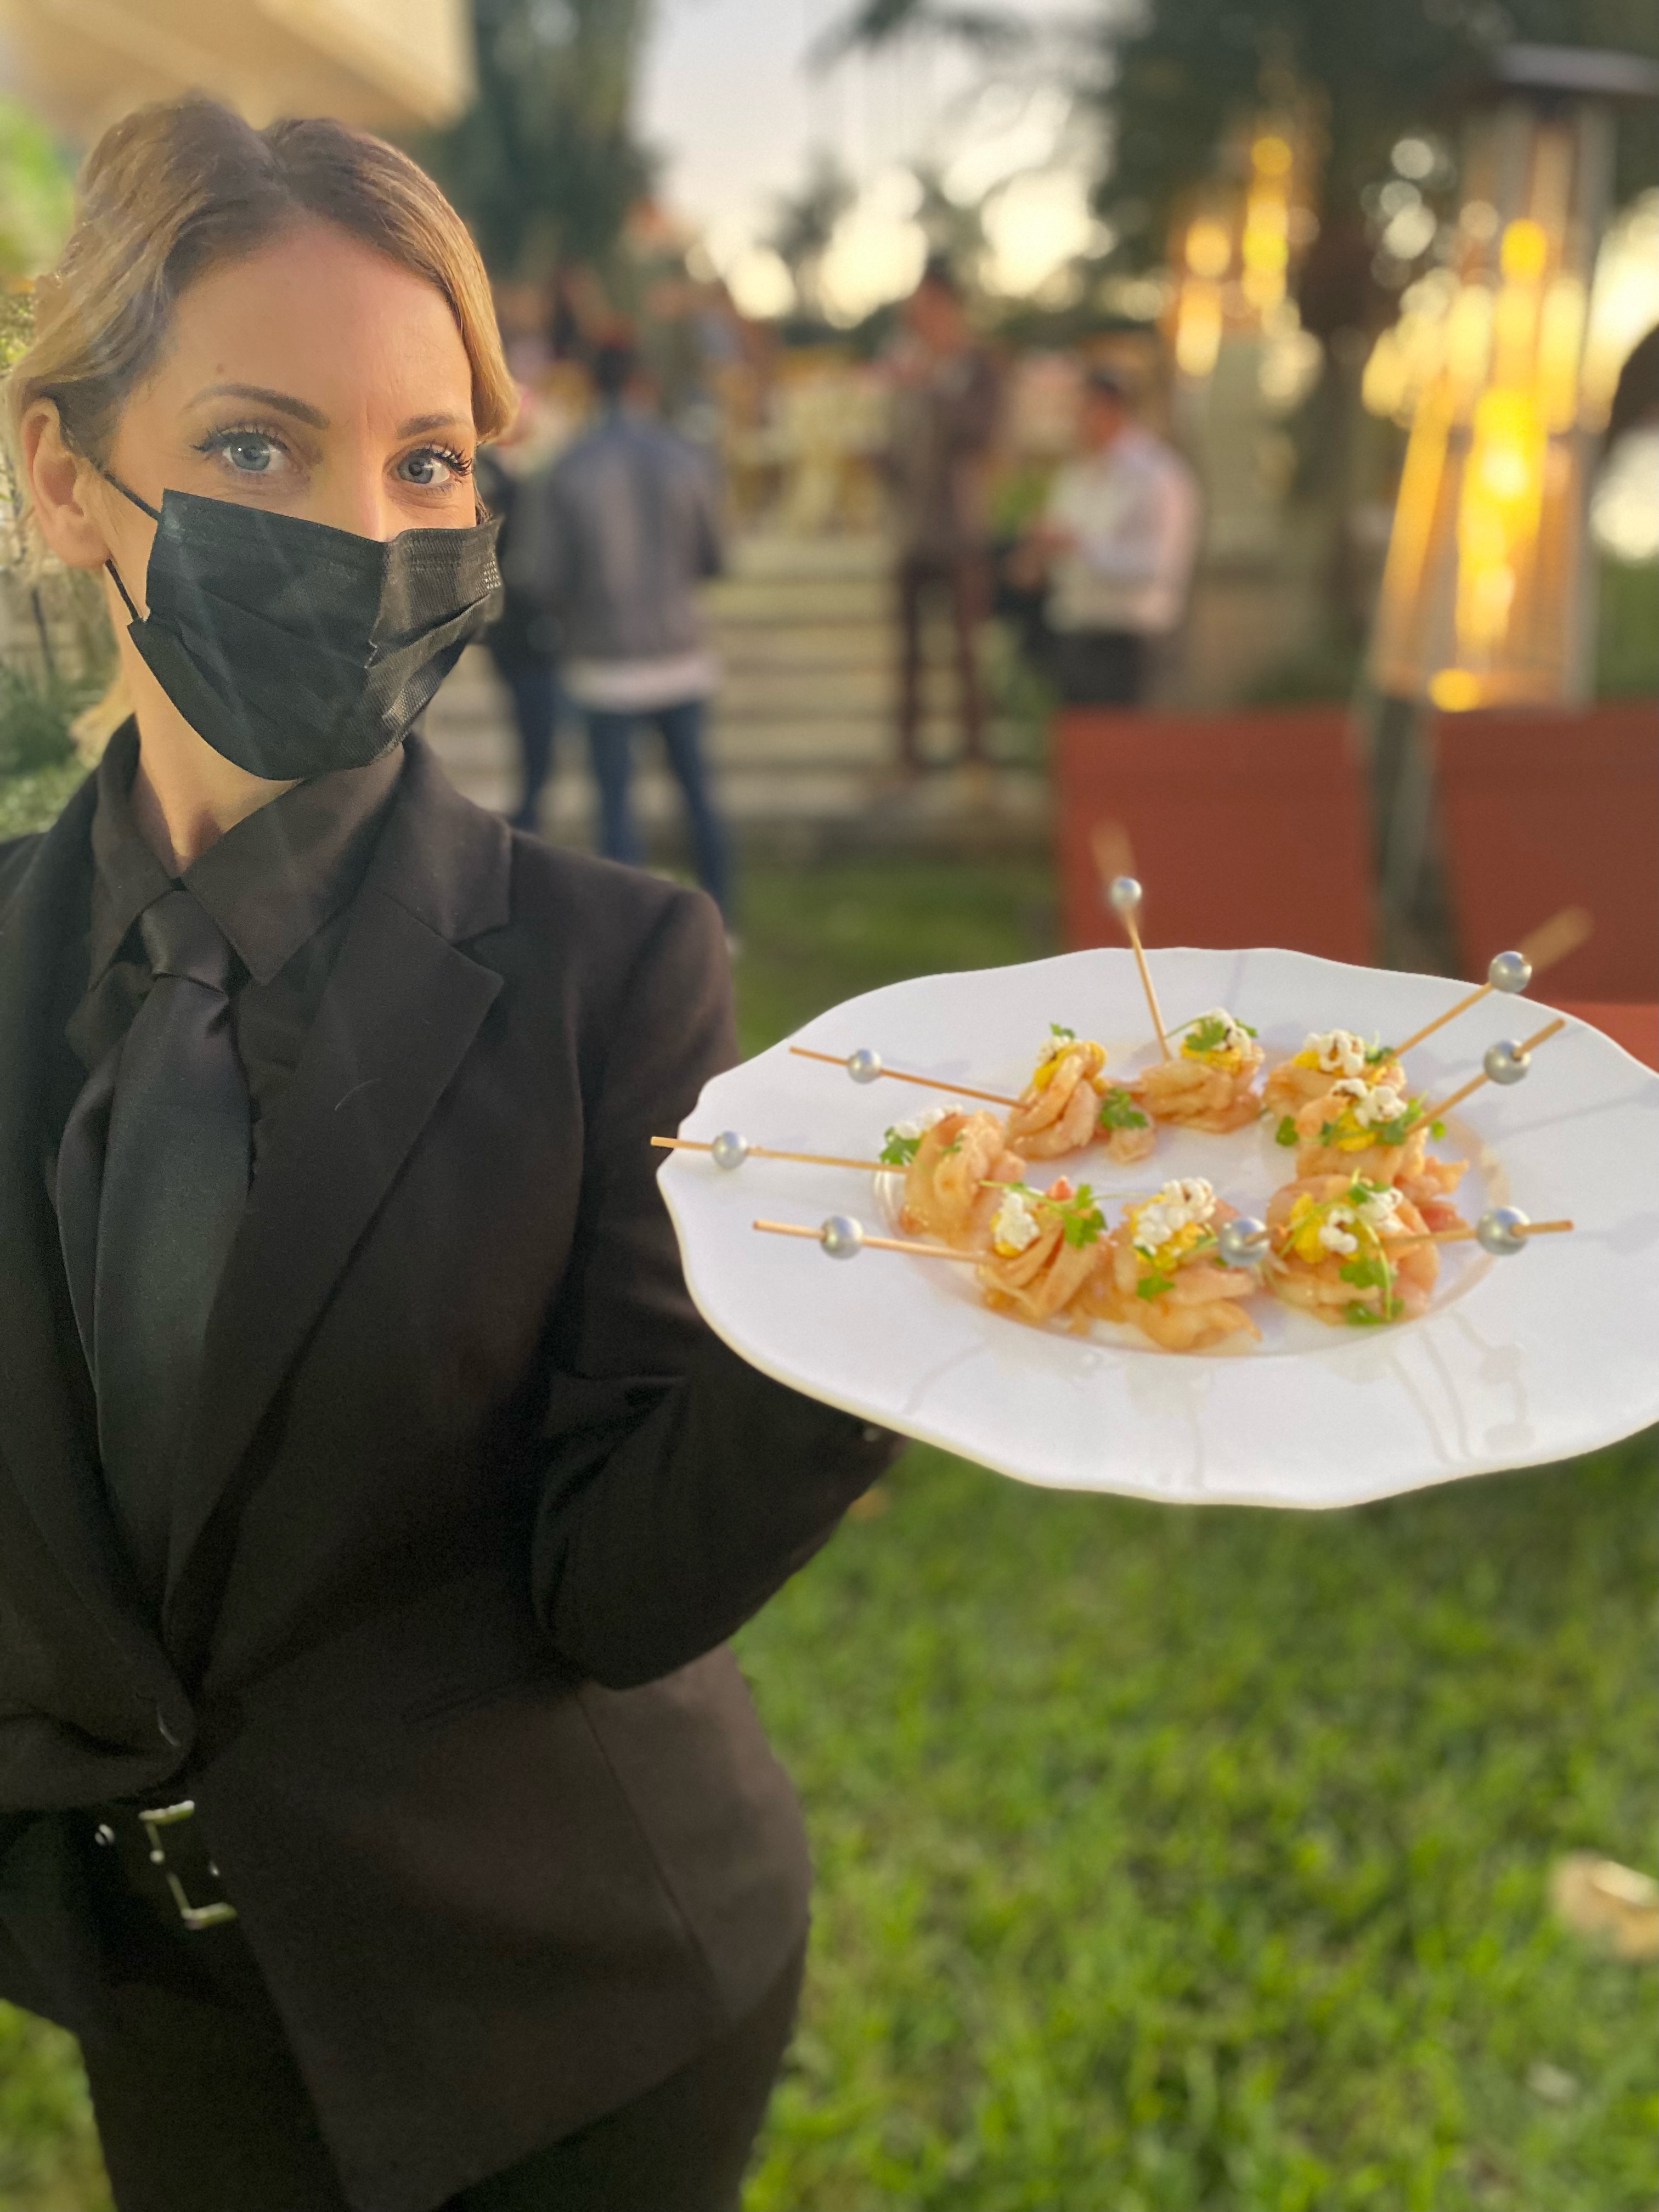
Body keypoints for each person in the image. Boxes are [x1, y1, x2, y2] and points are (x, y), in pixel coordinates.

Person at [0, 97, 894, 2212]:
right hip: (173, 1990)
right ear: (65, 477)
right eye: (254, 447)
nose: (368, 531)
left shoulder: (617, 970)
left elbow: (610, 1584)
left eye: (427, 460)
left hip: (563, 2006)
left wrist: (875, 1315)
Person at [513, 341, 733, 919]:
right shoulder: (688, 456)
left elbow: (542, 574)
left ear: (593, 387)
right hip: (680, 650)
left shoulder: (568, 465)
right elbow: (715, 557)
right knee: (698, 793)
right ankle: (725, 914)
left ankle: (632, 931)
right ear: (644, 384)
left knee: (615, 803)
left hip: (605, 660)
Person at [1019, 367, 1201, 707]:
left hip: (1130, 643)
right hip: (1075, 633)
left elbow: (1159, 565)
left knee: (1124, 752)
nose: (1073, 421)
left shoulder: (1158, 476)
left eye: (1080, 409)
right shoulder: (1075, 475)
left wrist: (1081, 547)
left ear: (1109, 408)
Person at [884, 257, 1001, 776]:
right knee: (909, 656)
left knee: (965, 654)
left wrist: (931, 386)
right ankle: (908, 755)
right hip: (912, 531)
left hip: (960, 530)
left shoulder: (975, 367)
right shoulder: (906, 371)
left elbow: (980, 432)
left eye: (928, 305)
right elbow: (900, 445)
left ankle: (976, 756)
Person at [475, 388, 563, 833]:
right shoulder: (487, 474)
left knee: (539, 731)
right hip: (517, 625)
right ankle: (528, 814)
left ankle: (530, 811)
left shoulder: (531, 471)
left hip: (530, 622)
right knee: (534, 723)